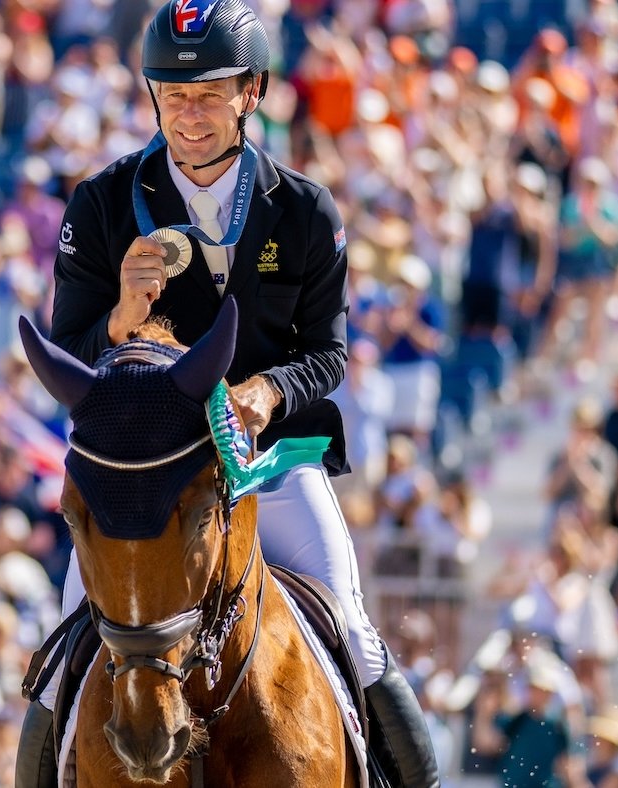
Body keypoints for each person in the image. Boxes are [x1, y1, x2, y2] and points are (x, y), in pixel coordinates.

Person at [30, 2, 438, 786]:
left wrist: (263, 394)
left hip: (268, 465)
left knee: (351, 632)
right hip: (140, 482)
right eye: (173, 94)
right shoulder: (102, 205)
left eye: (210, 92)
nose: (190, 114)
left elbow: (327, 354)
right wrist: (118, 318)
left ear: (251, 93)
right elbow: (68, 357)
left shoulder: (305, 210)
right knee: (62, 660)